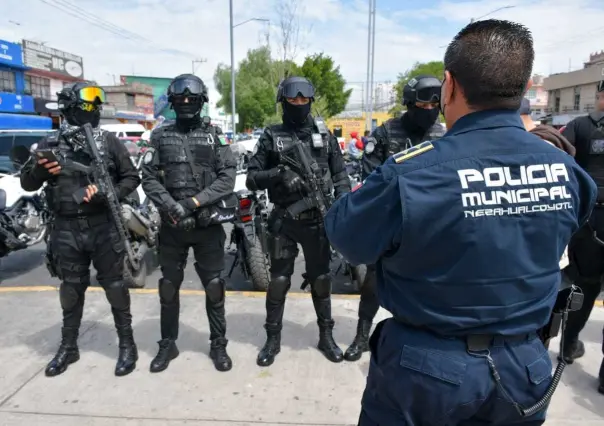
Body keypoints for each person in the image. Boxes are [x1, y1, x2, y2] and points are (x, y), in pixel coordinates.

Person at [325, 20, 597, 425]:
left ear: (448, 86)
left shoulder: (412, 173)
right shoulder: (565, 168)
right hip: (525, 369)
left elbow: (347, 237)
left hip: (427, 373)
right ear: (522, 89)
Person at [20, 82, 141, 377]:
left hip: (103, 225)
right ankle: (68, 346)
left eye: (97, 104)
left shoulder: (108, 141)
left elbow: (131, 178)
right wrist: (38, 171)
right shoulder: (50, 143)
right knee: (71, 289)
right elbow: (27, 183)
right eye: (88, 104)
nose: (94, 110)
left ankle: (127, 345)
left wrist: (106, 190)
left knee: (114, 286)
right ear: (70, 106)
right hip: (65, 228)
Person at [246, 76, 351, 367]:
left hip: (317, 221)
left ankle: (326, 336)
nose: (299, 104)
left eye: (304, 100)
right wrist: (279, 174)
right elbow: (252, 178)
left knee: (321, 280)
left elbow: (341, 175)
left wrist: (341, 204)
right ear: (284, 101)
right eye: (293, 99)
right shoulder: (271, 135)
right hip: (285, 221)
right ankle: (272, 339)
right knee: (279, 281)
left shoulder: (325, 136)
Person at [343, 75, 446, 363]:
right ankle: (362, 336)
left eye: (435, 102)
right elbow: (369, 176)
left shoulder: (445, 135)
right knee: (374, 284)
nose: (429, 108)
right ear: (410, 103)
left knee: (428, 287)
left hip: (431, 226)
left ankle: (421, 341)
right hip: (392, 222)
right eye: (423, 102)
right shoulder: (387, 133)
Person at [141, 74, 237, 373]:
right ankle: (168, 345)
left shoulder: (215, 136)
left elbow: (227, 180)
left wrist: (192, 204)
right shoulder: (158, 136)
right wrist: (171, 207)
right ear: (172, 103)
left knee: (214, 287)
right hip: (172, 227)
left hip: (207, 224)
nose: (185, 104)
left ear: (200, 102)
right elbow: (147, 177)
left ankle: (218, 344)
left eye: (191, 99)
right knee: (169, 287)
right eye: (180, 100)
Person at [559, 80, 604, 393]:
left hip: (589, 218)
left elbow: (559, 161)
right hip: (590, 219)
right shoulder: (580, 125)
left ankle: (568, 344)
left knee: (585, 287)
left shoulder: (579, 126)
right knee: (584, 287)